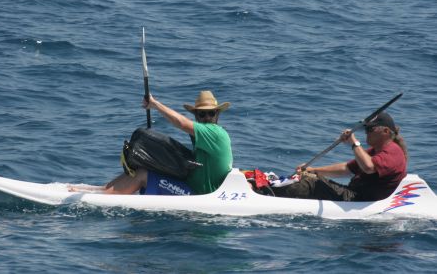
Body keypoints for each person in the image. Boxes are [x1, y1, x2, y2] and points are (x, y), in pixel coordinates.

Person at [69, 90, 233, 195]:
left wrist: (155, 105)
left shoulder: (215, 133)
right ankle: (103, 189)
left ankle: (104, 197)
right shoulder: (204, 134)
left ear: (217, 115)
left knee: (142, 176)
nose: (206, 119)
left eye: (210, 114)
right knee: (143, 166)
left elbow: (182, 123)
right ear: (196, 115)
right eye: (201, 115)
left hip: (198, 196)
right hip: (189, 186)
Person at [272, 112, 407, 201]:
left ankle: (268, 194)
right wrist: (312, 170)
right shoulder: (373, 151)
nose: (366, 133)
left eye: (370, 130)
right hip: (353, 195)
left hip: (360, 200)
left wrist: (354, 143)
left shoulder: (393, 152)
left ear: (385, 131)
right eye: (365, 130)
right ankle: (272, 186)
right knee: (309, 177)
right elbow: (346, 168)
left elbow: (369, 167)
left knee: (312, 184)